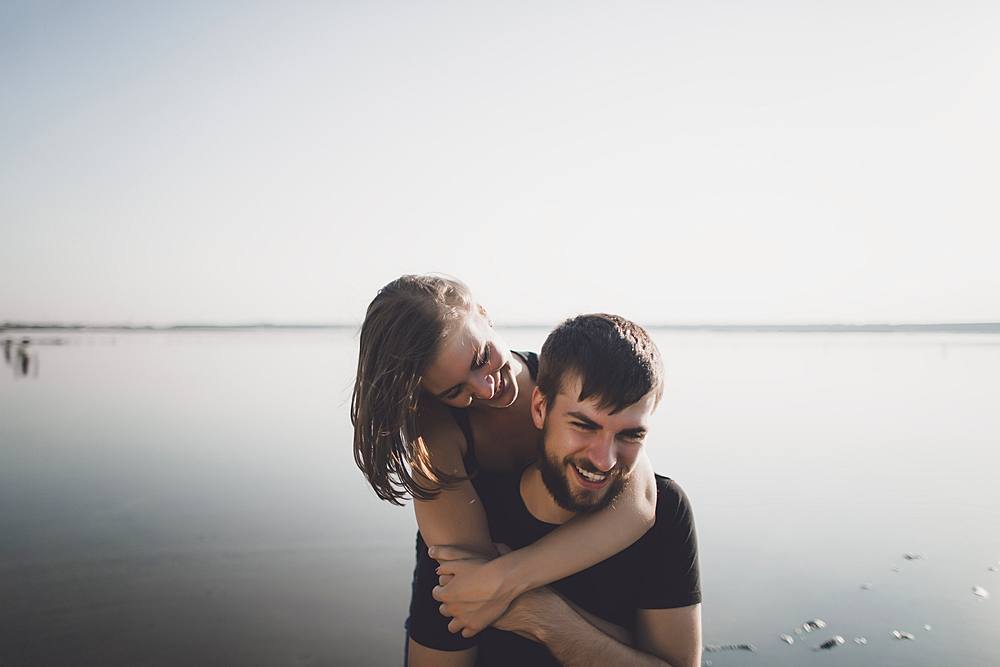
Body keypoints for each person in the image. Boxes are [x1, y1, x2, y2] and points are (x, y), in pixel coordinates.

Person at [351, 275, 659, 646]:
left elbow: (640, 502)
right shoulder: (433, 431)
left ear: (483, 314)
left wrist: (510, 577)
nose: (485, 388)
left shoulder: (568, 377)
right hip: (456, 601)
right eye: (454, 390)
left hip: (555, 582)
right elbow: (468, 578)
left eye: (481, 359)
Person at [409, 313, 702, 666]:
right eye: (584, 426)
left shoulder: (666, 512)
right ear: (539, 408)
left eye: (631, 434)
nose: (605, 460)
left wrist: (544, 616)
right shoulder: (466, 523)